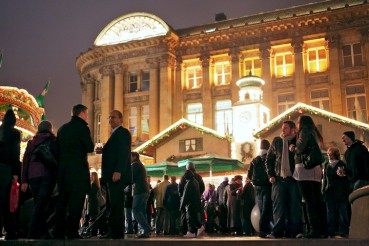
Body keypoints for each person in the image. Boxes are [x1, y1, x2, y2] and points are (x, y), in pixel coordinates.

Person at [53, 104, 95, 239]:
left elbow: (56, 150)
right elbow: (89, 147)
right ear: (82, 113)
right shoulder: (83, 127)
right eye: (86, 114)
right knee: (76, 203)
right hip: (78, 171)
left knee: (62, 202)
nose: (87, 116)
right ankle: (72, 231)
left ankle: (58, 231)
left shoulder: (62, 129)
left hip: (63, 171)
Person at [265, 120, 303, 239]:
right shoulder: (276, 142)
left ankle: (295, 231)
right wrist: (270, 175)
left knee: (294, 206)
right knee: (278, 207)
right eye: (282, 128)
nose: (282, 130)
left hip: (293, 179)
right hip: (278, 179)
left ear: (292, 130)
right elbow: (269, 160)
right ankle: (277, 231)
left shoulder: (297, 141)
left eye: (285, 128)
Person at [21, 120, 58, 239]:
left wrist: (24, 180)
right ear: (50, 129)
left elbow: (25, 162)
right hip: (47, 175)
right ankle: (33, 231)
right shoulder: (53, 140)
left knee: (39, 203)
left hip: (33, 176)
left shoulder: (32, 142)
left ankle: (42, 232)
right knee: (41, 204)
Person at [291, 115, 326, 238]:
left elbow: (300, 148)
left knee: (309, 200)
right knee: (317, 199)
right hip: (315, 167)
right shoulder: (314, 131)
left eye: (298, 121)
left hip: (304, 168)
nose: (297, 123)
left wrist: (293, 148)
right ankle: (322, 229)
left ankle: (314, 229)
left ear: (302, 123)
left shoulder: (304, 131)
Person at [99, 110, 132, 239]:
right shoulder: (114, 134)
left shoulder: (123, 133)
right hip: (110, 175)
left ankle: (117, 232)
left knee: (116, 204)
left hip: (116, 175)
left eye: (113, 117)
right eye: (109, 117)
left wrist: (118, 170)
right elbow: (114, 151)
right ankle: (112, 230)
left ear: (121, 119)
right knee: (111, 204)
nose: (110, 120)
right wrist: (104, 150)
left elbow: (123, 153)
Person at [0, 109, 21, 240]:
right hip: (6, 169)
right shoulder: (14, 133)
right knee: (6, 202)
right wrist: (15, 172)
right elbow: (15, 153)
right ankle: (10, 231)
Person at [322, 147, 350, 238]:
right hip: (329, 192)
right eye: (328, 154)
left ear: (335, 155)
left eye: (331, 154)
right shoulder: (327, 165)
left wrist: (343, 174)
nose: (329, 156)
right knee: (330, 212)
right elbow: (325, 179)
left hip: (340, 192)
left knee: (342, 211)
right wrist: (323, 190)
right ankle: (331, 231)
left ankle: (344, 230)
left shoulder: (341, 164)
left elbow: (345, 178)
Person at [247, 139, 272, 237]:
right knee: (267, 208)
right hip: (267, 185)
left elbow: (249, 174)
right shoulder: (270, 157)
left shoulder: (254, 159)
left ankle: (262, 229)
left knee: (261, 208)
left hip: (257, 187)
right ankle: (264, 229)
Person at [179, 162, 205, 236]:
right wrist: (198, 195)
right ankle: (196, 229)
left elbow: (180, 189)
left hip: (188, 201)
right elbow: (202, 188)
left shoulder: (185, 178)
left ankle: (189, 231)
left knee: (188, 216)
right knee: (195, 215)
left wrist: (182, 199)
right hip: (196, 200)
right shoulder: (198, 177)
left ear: (187, 168)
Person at [131, 151, 151, 238]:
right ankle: (145, 231)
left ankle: (146, 228)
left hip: (139, 190)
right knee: (142, 211)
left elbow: (130, 177)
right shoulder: (140, 165)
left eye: (130, 157)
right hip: (145, 190)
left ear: (134, 156)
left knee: (135, 209)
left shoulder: (135, 165)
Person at [87, 172, 101, 237]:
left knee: (93, 217)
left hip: (93, 202)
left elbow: (90, 193)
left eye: (91, 175)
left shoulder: (93, 185)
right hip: (94, 202)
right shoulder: (96, 184)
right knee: (94, 217)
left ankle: (93, 232)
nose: (90, 177)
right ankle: (94, 231)